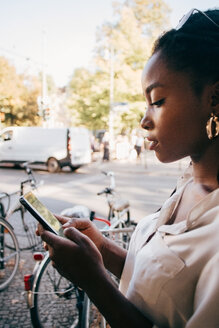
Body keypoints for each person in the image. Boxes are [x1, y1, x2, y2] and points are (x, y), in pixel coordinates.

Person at [37, 8, 219, 327]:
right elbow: (161, 287)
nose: (144, 120)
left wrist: (94, 282)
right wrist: (102, 248)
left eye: (157, 101)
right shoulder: (188, 183)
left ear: (215, 98)